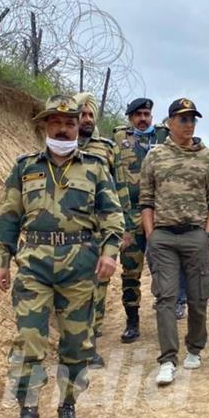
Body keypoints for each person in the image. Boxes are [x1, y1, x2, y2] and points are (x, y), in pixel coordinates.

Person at [0, 94, 124, 418]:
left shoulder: (95, 167)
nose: (63, 129)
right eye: (56, 123)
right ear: (44, 126)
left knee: (76, 344)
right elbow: (8, 217)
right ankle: (28, 413)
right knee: (29, 341)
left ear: (78, 126)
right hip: (34, 263)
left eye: (69, 123)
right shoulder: (25, 167)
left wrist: (109, 253)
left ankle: (67, 408)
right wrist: (0, 261)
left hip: (80, 264)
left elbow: (112, 217)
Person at [139, 98, 209, 386]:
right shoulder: (155, 156)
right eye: (183, 119)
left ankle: (195, 347)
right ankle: (167, 359)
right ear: (170, 123)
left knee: (199, 296)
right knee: (164, 297)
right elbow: (146, 199)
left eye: (192, 120)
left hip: (195, 235)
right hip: (163, 236)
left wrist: (207, 234)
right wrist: (151, 235)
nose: (189, 124)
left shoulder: (207, 157)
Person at [74, 91, 133, 367]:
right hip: (69, 229)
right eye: (81, 114)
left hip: (99, 230)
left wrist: (125, 228)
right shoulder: (59, 144)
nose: (86, 119)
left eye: (89, 115)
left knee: (98, 285)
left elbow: (120, 188)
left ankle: (89, 342)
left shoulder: (107, 148)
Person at [113, 98, 169, 343]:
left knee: (164, 268)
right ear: (129, 118)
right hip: (131, 215)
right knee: (130, 271)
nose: (142, 118)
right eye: (137, 115)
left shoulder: (164, 138)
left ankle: (165, 317)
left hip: (161, 216)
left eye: (146, 114)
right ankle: (132, 321)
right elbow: (114, 179)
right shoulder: (118, 140)